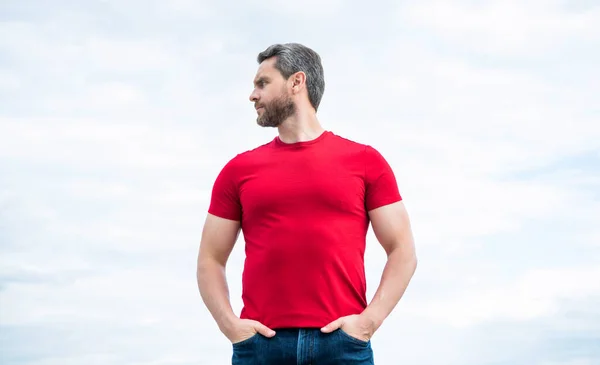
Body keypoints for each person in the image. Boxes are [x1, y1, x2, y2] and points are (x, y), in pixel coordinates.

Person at [197, 43, 417, 365]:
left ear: (296, 82)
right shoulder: (238, 171)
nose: (252, 95)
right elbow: (210, 259)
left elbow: (403, 250)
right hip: (261, 348)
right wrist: (231, 326)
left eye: (263, 83)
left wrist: (367, 323)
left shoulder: (366, 162)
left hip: (342, 346)